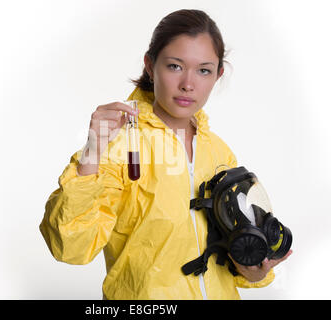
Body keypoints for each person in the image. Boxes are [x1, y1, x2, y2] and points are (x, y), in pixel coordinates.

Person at [39, 9, 292, 300]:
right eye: (174, 66)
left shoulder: (219, 152)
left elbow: (234, 250)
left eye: (204, 70)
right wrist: (91, 156)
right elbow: (70, 248)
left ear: (218, 74)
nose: (188, 83)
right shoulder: (117, 148)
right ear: (150, 65)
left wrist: (253, 270)